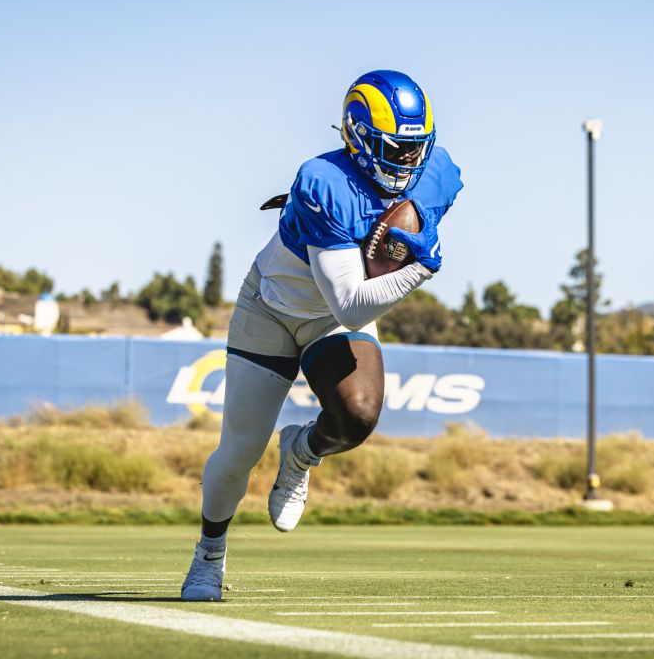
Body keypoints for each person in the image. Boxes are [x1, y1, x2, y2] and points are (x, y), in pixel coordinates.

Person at [180, 70, 462, 601]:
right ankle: (208, 557)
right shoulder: (322, 183)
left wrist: (408, 235)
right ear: (356, 137)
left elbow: (415, 209)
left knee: (357, 416)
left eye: (412, 150)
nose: (406, 163)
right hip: (273, 307)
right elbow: (353, 306)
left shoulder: (436, 171)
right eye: (392, 149)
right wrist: (417, 270)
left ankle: (301, 451)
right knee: (239, 451)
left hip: (326, 318)